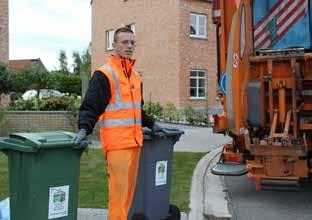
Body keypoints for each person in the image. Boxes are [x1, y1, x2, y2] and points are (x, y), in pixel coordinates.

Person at [74, 27, 162, 220]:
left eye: (132, 43)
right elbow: (91, 106)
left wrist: (152, 123)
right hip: (117, 145)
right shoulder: (104, 74)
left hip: (135, 142)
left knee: (127, 196)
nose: (129, 46)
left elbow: (136, 109)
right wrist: (83, 129)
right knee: (118, 196)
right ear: (113, 45)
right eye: (125, 42)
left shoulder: (135, 76)